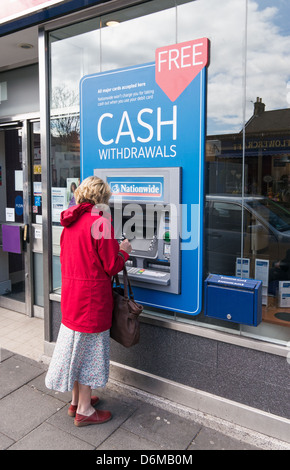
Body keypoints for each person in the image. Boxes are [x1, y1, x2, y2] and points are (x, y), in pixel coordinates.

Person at [45, 176, 132, 427]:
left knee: (76, 351)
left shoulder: (70, 221)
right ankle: (85, 410)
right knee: (89, 355)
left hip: (72, 297)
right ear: (102, 198)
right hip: (92, 301)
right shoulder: (100, 222)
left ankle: (76, 401)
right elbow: (110, 265)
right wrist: (124, 249)